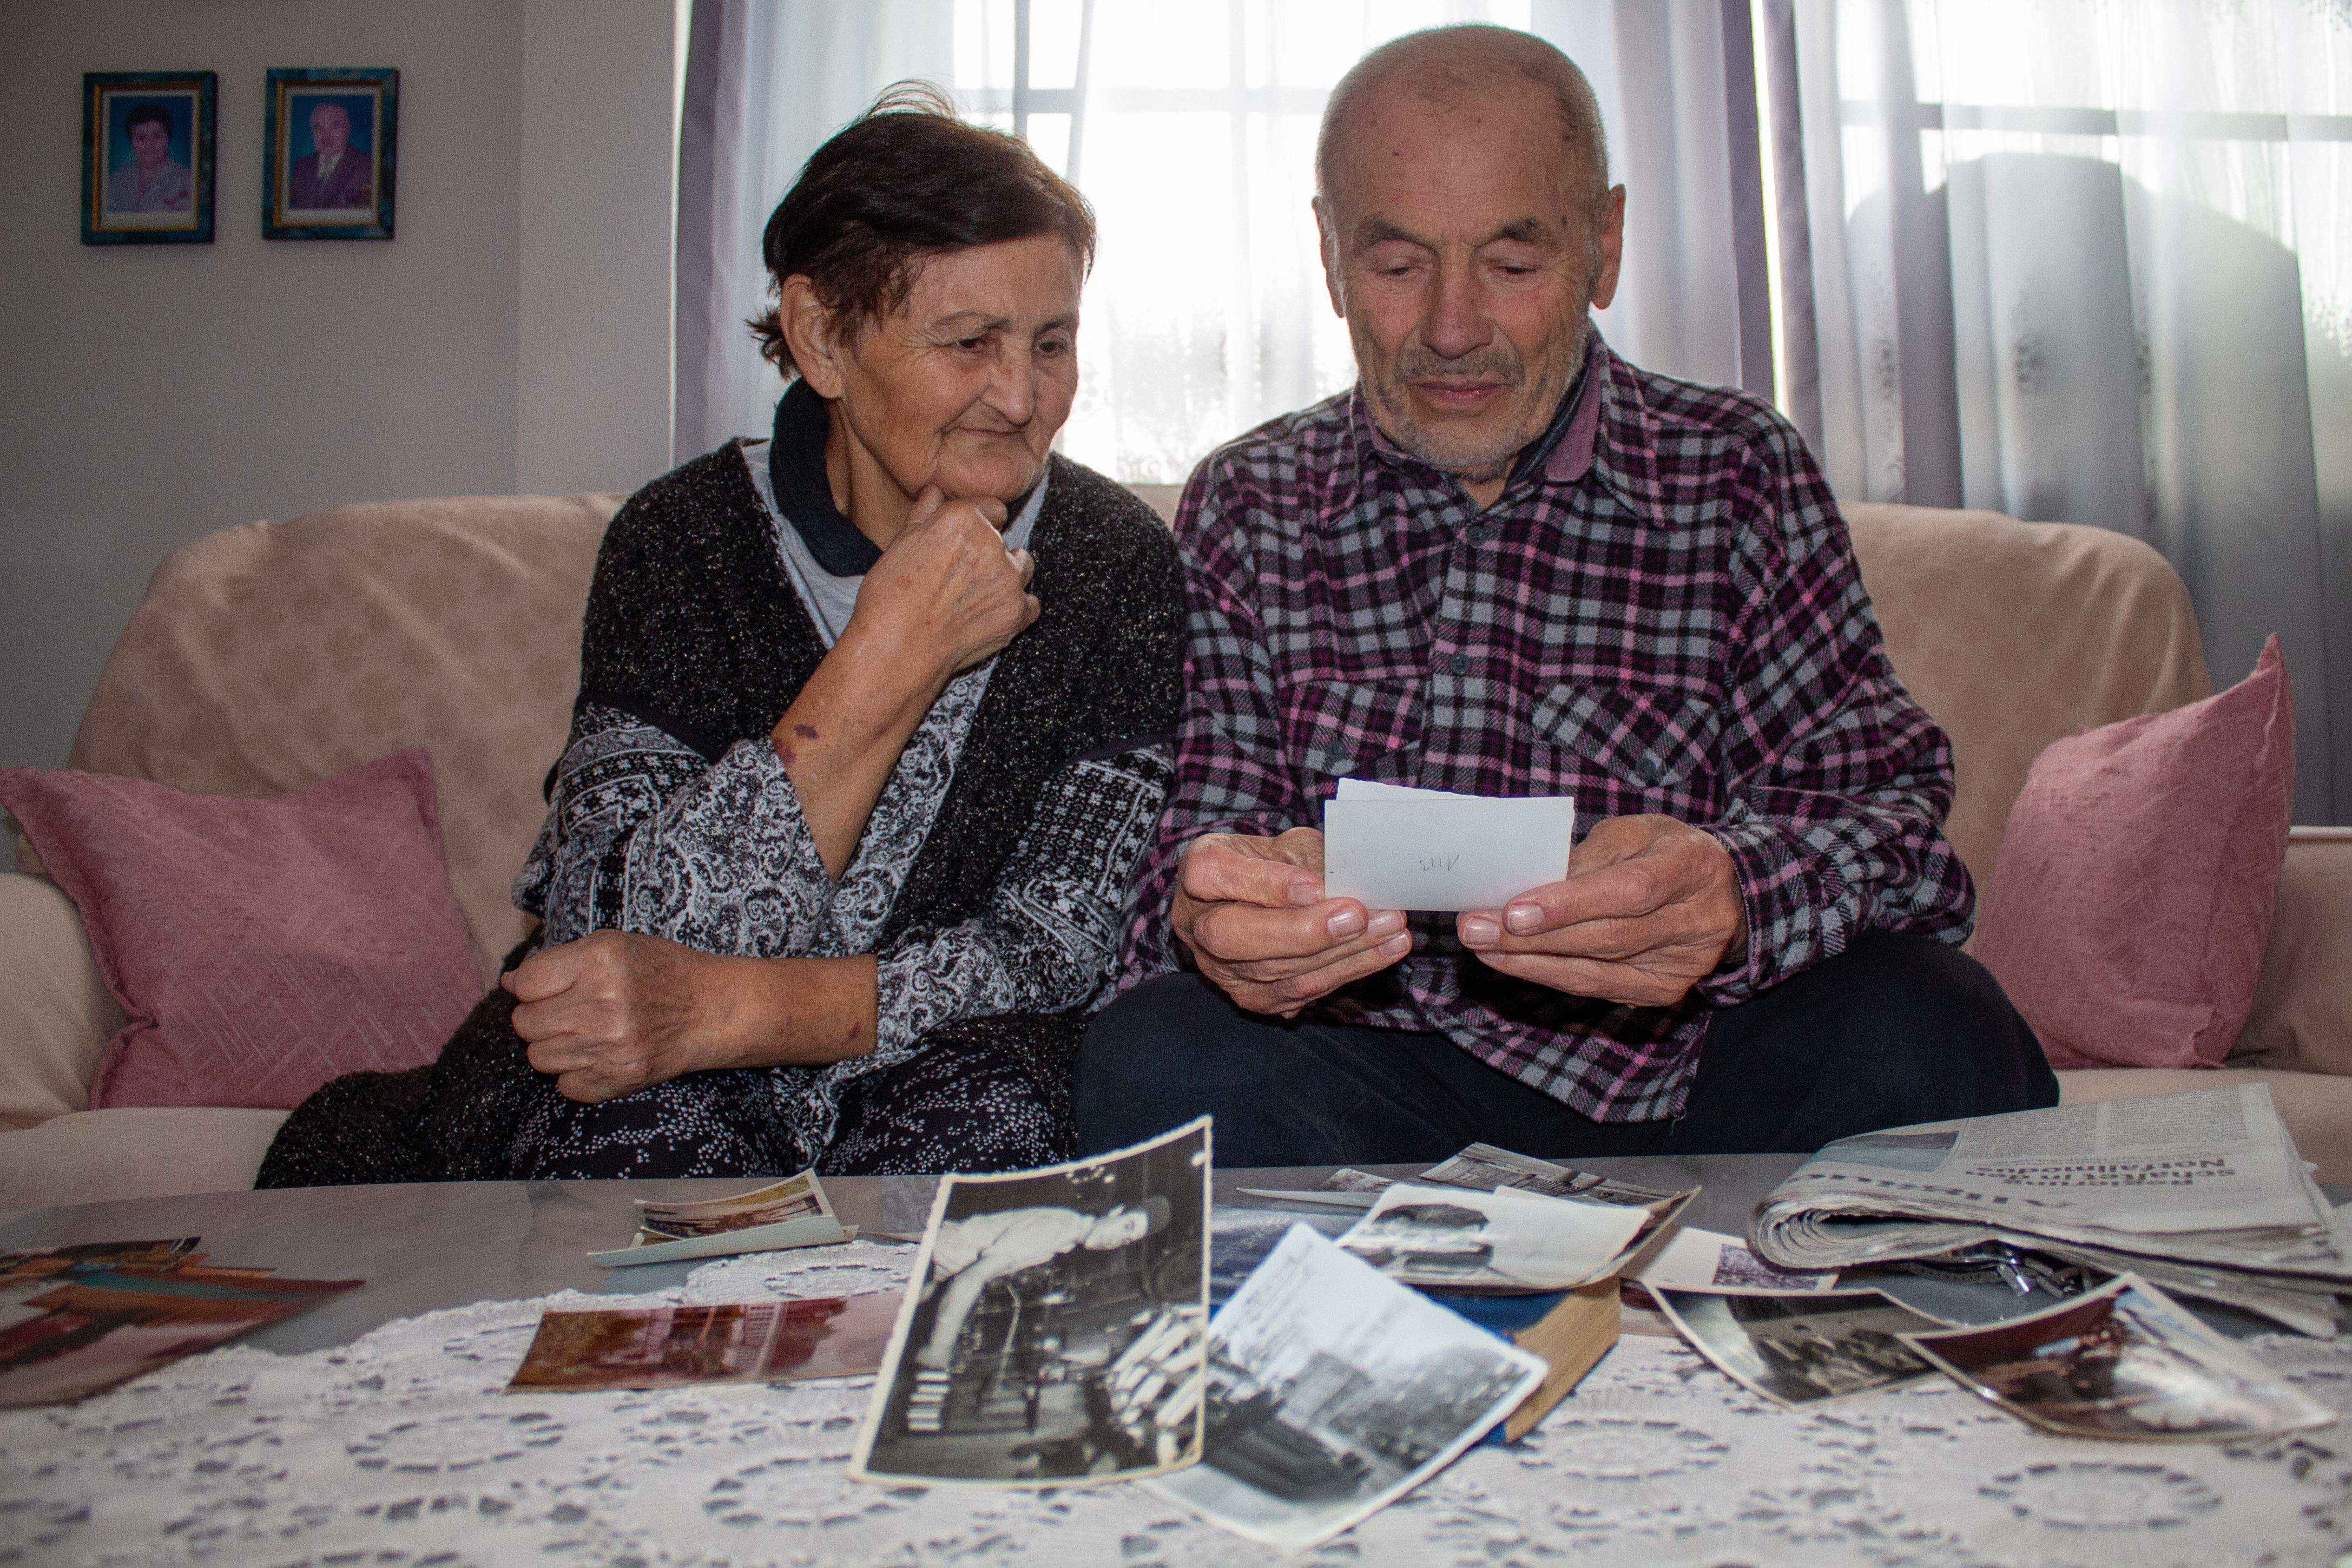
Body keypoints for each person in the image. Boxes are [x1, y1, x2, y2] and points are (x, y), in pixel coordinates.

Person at [1077, 26, 2055, 1167]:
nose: (1453, 329)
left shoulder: (1736, 469)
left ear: (1604, 244)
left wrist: (1734, 895)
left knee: (1939, 1023)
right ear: (1332, 256)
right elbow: (1189, 850)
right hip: (1369, 1083)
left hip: (1700, 1076)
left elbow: (1896, 829)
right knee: (1154, 1054)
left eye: (1513, 264)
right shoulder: (1251, 500)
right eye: (1398, 267)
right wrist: (1223, 914)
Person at [258, 86, 1181, 1186]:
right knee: (632, 1127)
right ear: (821, 336)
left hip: (952, 1057)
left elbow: (1060, 954)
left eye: (1052, 342)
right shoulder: (684, 539)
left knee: (993, 1123)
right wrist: (886, 655)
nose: (1022, 396)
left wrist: (737, 1012)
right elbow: (614, 937)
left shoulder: (1114, 563)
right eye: (970, 341)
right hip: (654, 1071)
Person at [915, 1199, 1170, 1369]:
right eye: (1126, 1225)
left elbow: (957, 1264)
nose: (1116, 1240)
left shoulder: (1066, 1233)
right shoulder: (1057, 1229)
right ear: (1115, 1212)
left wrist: (928, 1290)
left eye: (1127, 1240)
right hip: (920, 1252)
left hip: (930, 1263)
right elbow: (970, 1279)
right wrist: (941, 1347)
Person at [105, 102, 191, 213]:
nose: (149, 145)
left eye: (157, 136)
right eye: (141, 138)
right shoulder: (115, 182)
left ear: (168, 139)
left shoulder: (188, 181)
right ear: (132, 143)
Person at [288, 101, 370, 209]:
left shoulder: (367, 165)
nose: (326, 135)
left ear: (347, 129)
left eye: (335, 126)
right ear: (312, 131)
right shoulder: (302, 165)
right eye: (318, 128)